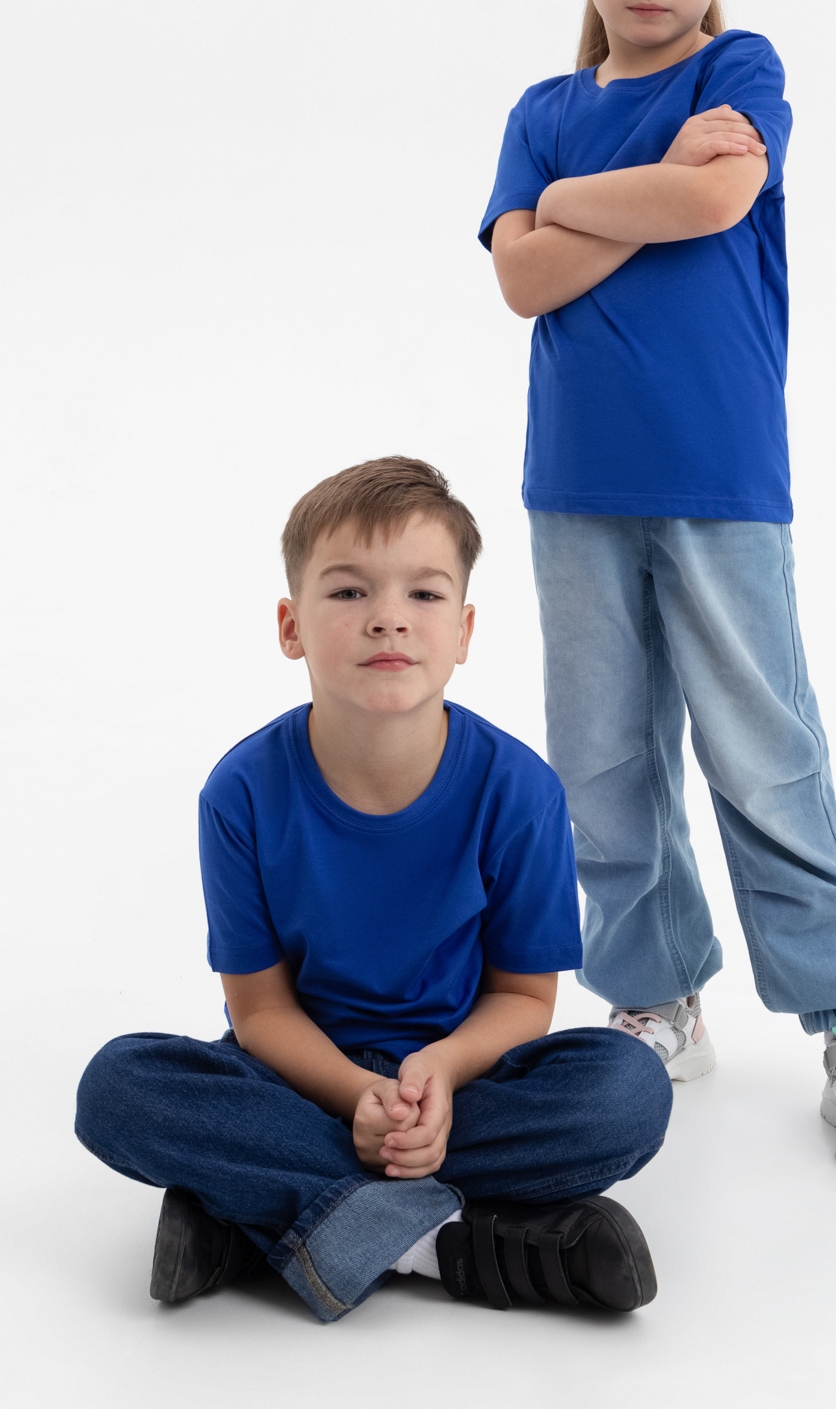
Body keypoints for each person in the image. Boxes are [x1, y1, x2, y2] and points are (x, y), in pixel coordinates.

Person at [480, 0, 836, 1169]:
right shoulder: (543, 111)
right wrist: (608, 197)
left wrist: (571, 201)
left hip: (721, 476)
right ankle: (656, 994)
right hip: (575, 487)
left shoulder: (740, 73)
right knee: (603, 760)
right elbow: (521, 279)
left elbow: (714, 202)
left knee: (760, 748)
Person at [75, 457, 671, 1322]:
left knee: (628, 1089)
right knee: (119, 1088)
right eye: (350, 592)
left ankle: (257, 1214)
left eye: (424, 594)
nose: (388, 617)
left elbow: (522, 998)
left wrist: (438, 1074)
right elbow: (261, 1012)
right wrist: (356, 1097)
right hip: (299, 1082)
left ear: (463, 631)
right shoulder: (241, 793)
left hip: (463, 1088)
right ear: (292, 627)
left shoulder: (520, 792)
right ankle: (441, 1247)